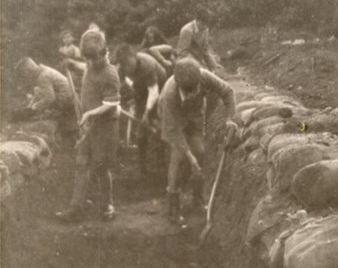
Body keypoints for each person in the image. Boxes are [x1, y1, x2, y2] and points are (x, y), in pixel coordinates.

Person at [158, 58, 238, 224]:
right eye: (189, 92)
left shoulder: (204, 76)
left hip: (195, 117)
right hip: (173, 120)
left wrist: (230, 118)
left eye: (195, 90)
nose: (194, 94)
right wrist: (188, 155)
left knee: (200, 153)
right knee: (177, 158)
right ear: (179, 85)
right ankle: (173, 207)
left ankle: (198, 199)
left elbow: (228, 91)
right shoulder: (169, 95)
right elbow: (173, 131)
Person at [56, 29, 121, 222]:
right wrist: (72, 64)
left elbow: (112, 104)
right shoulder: (92, 65)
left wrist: (90, 113)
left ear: (103, 52)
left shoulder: (110, 74)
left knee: (100, 167)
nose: (90, 63)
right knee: (81, 163)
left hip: (106, 127)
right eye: (88, 60)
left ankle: (107, 205)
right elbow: (85, 68)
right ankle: (75, 207)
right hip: (89, 126)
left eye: (93, 59)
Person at [116, 44, 167, 177]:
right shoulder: (121, 68)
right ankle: (143, 166)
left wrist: (147, 112)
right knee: (141, 128)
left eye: (128, 64)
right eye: (123, 65)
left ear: (134, 57)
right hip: (141, 89)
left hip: (160, 87)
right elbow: (117, 86)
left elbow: (153, 92)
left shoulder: (146, 64)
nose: (126, 68)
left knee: (157, 121)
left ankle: (163, 156)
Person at [14, 57, 74, 127]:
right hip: (67, 96)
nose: (25, 76)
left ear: (28, 70)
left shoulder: (43, 76)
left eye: (24, 73)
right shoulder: (43, 71)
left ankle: (55, 112)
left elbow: (50, 98)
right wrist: (29, 107)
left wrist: (35, 108)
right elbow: (40, 94)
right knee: (37, 90)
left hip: (66, 100)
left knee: (37, 91)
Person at [177, 5, 220, 72]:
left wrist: (213, 65)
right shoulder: (187, 30)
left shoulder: (205, 29)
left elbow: (205, 50)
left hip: (198, 61)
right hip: (186, 62)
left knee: (217, 70)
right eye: (203, 24)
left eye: (207, 24)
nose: (205, 26)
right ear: (197, 20)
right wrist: (198, 65)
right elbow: (182, 53)